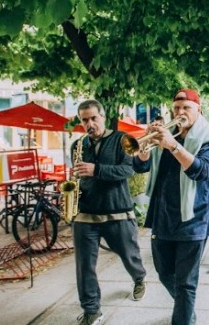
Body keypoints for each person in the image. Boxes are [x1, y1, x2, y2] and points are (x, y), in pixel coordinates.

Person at [133, 89, 209, 325]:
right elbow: (141, 168)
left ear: (198, 110)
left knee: (185, 283)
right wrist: (144, 146)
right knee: (164, 273)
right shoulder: (167, 134)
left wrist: (172, 146)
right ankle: (186, 307)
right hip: (163, 217)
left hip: (193, 218)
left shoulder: (207, 138)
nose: (180, 113)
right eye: (176, 108)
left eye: (186, 108)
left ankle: (183, 314)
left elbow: (203, 171)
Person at [71, 99, 147, 325]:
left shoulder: (122, 140)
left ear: (103, 116)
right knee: (84, 265)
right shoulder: (77, 144)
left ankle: (139, 278)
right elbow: (77, 173)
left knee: (129, 254)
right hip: (85, 214)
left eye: (93, 118)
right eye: (85, 120)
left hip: (118, 211)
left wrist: (97, 170)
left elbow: (128, 170)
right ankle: (92, 309)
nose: (89, 124)